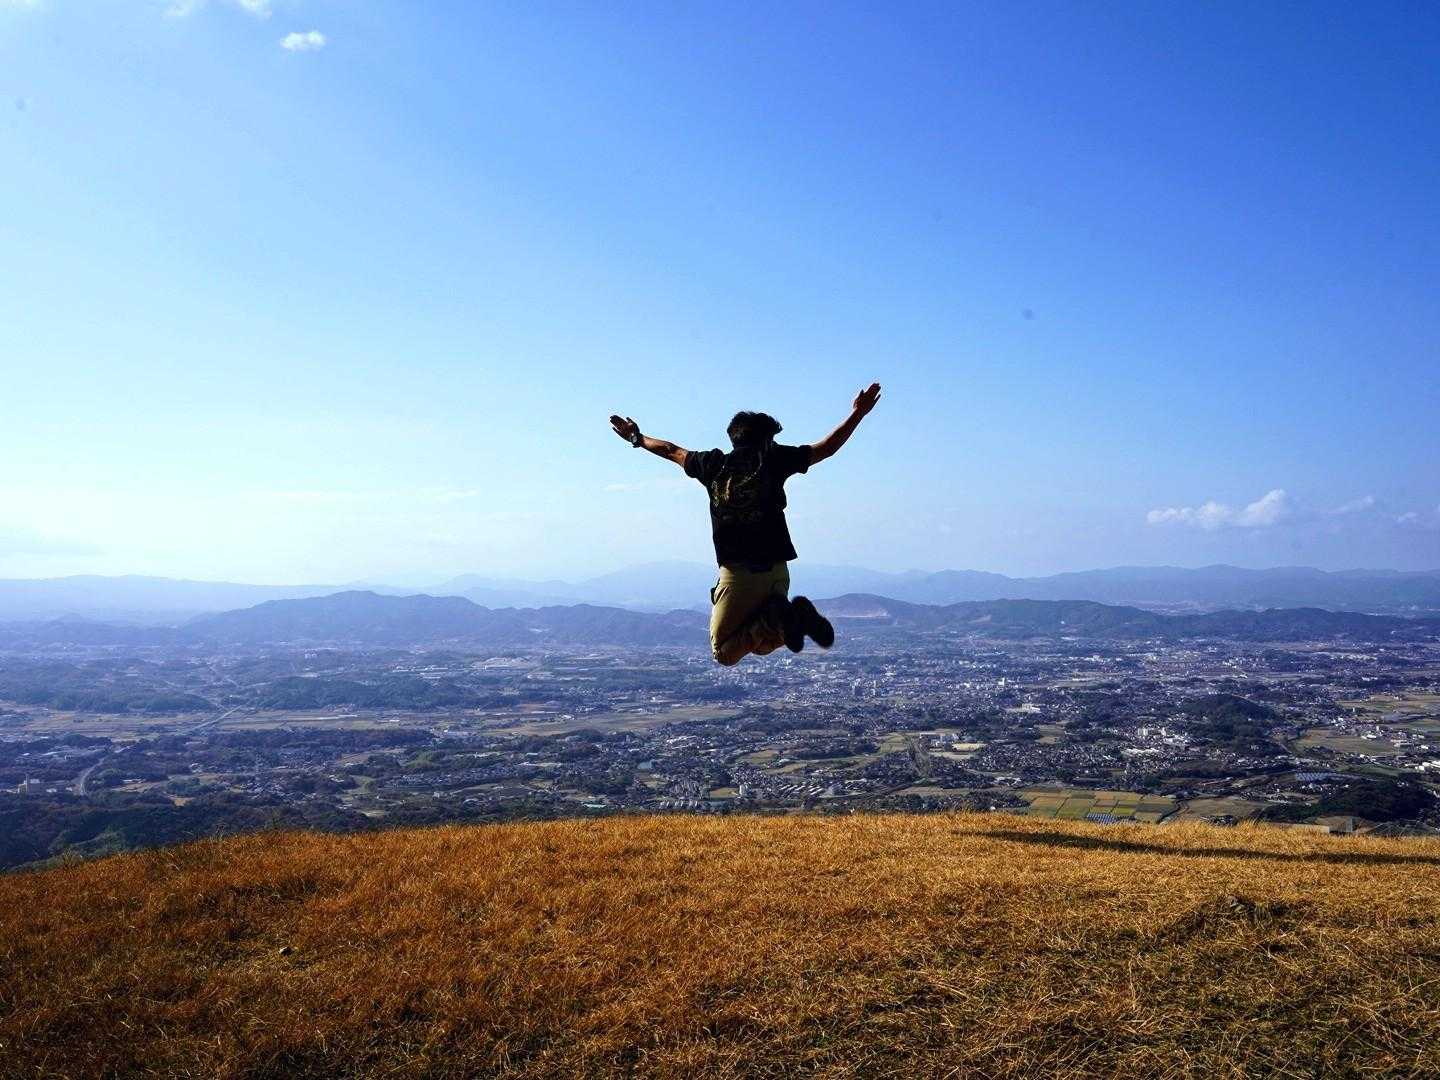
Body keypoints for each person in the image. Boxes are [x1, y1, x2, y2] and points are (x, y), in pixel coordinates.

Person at [609, 382, 882, 665]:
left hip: (738, 575)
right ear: (765, 441)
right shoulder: (775, 459)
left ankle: (781, 618)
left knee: (725, 652)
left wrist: (637, 438)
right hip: (777, 572)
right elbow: (826, 448)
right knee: (762, 645)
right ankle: (785, 616)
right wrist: (857, 414)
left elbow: (671, 450)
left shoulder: (712, 464)